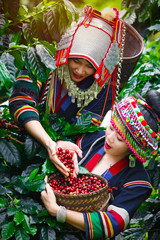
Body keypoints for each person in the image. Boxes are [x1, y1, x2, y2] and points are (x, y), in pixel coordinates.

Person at [9, 5, 143, 176]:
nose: (80, 71)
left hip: (55, 159)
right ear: (67, 53)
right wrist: (50, 143)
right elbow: (20, 101)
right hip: (16, 140)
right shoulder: (44, 63)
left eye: (90, 66)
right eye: (76, 61)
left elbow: (85, 130)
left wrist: (60, 146)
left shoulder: (99, 89)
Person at [41, 90, 160, 239]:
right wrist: (59, 145)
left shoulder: (138, 181)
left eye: (119, 138)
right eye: (111, 127)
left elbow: (114, 223)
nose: (109, 138)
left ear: (133, 147)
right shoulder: (92, 137)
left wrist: (58, 212)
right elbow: (57, 147)